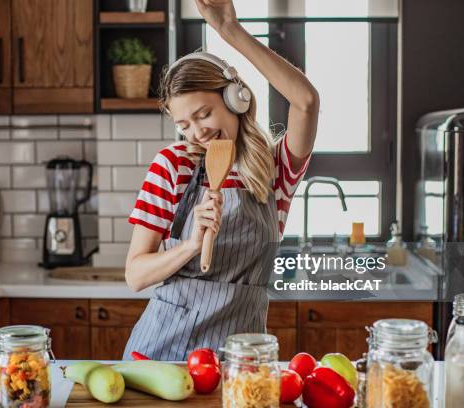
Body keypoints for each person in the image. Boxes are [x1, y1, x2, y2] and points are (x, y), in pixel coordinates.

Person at [122, 0, 319, 361]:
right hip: (162, 354)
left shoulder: (274, 171)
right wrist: (189, 245)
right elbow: (135, 275)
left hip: (240, 360)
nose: (197, 132)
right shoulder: (172, 165)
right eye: (184, 125)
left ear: (236, 99)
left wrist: (231, 31)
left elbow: (305, 101)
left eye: (204, 114)